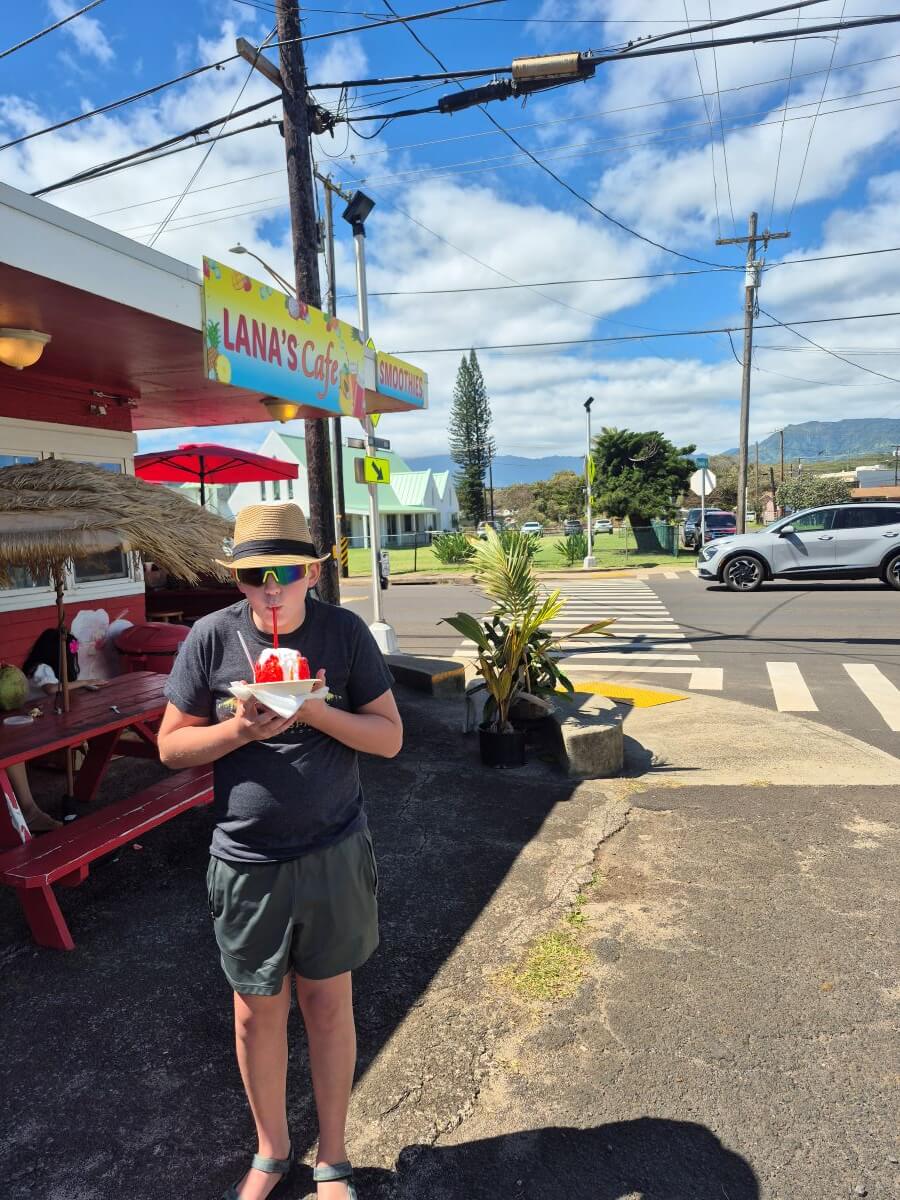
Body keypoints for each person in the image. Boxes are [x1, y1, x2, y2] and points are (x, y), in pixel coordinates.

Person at [158, 503, 402, 1200]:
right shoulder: (209, 638)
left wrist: (313, 709)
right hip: (245, 859)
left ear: (312, 573)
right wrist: (239, 730)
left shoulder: (344, 632)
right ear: (237, 580)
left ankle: (332, 1156)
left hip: (333, 848)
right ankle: (271, 1151)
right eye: (253, 575)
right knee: (254, 1010)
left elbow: (388, 739)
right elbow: (172, 748)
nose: (271, 588)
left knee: (328, 1004)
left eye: (286, 572)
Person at [6, 628, 106, 833]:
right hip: (34, 725)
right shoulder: (40, 668)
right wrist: (86, 681)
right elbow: (52, 689)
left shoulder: (43, 667)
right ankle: (30, 811)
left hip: (40, 720)